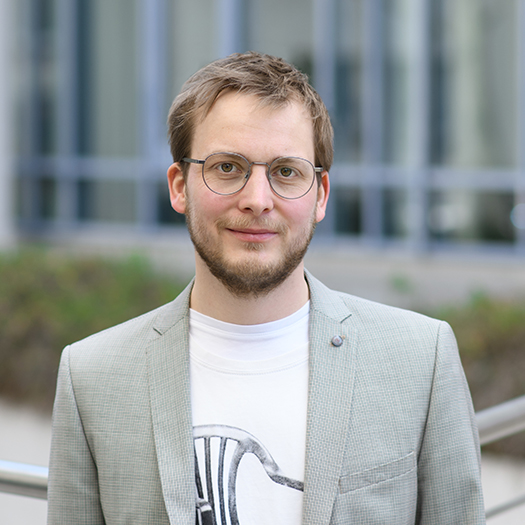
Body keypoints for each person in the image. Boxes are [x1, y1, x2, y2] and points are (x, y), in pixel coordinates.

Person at [47, 51, 485, 524]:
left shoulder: (421, 361)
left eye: (286, 172)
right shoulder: (91, 377)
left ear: (320, 195)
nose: (257, 200)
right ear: (179, 186)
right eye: (227, 168)